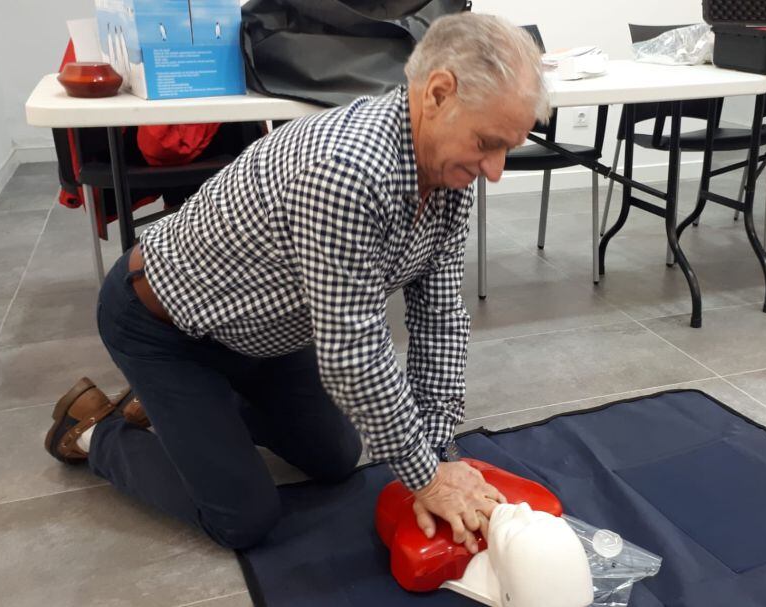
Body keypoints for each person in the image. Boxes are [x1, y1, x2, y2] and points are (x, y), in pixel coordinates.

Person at [44, 13, 549, 551]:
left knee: (335, 457)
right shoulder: (345, 171)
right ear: (438, 94)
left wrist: (439, 451)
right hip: (163, 327)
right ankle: (97, 430)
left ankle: (190, 412)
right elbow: (353, 354)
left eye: (508, 148)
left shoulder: (451, 171)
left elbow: (441, 315)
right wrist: (426, 479)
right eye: (488, 142)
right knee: (244, 519)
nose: (495, 169)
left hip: (262, 334)